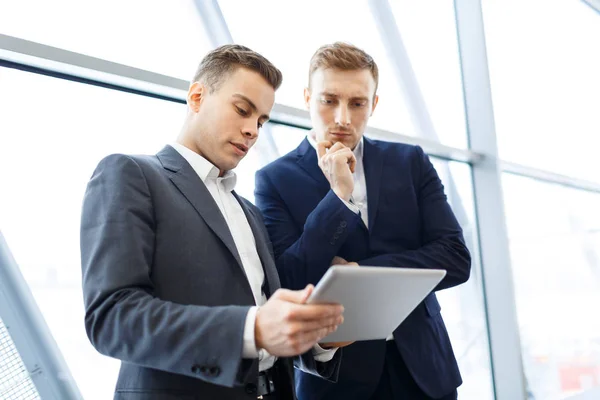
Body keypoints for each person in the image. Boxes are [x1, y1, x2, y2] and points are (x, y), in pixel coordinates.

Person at [80, 44, 344, 400]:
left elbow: (267, 332)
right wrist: (251, 329)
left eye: (261, 121)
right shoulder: (131, 174)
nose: (252, 130)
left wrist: (320, 341)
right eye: (242, 110)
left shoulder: (249, 211)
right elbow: (112, 318)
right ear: (197, 96)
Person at [254, 42, 471, 400]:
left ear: (374, 104)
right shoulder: (274, 180)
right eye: (328, 100)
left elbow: (454, 258)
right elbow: (288, 280)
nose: (342, 117)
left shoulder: (410, 162)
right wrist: (338, 198)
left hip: (424, 370)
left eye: (357, 103)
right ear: (308, 97)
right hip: (336, 380)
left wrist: (357, 272)